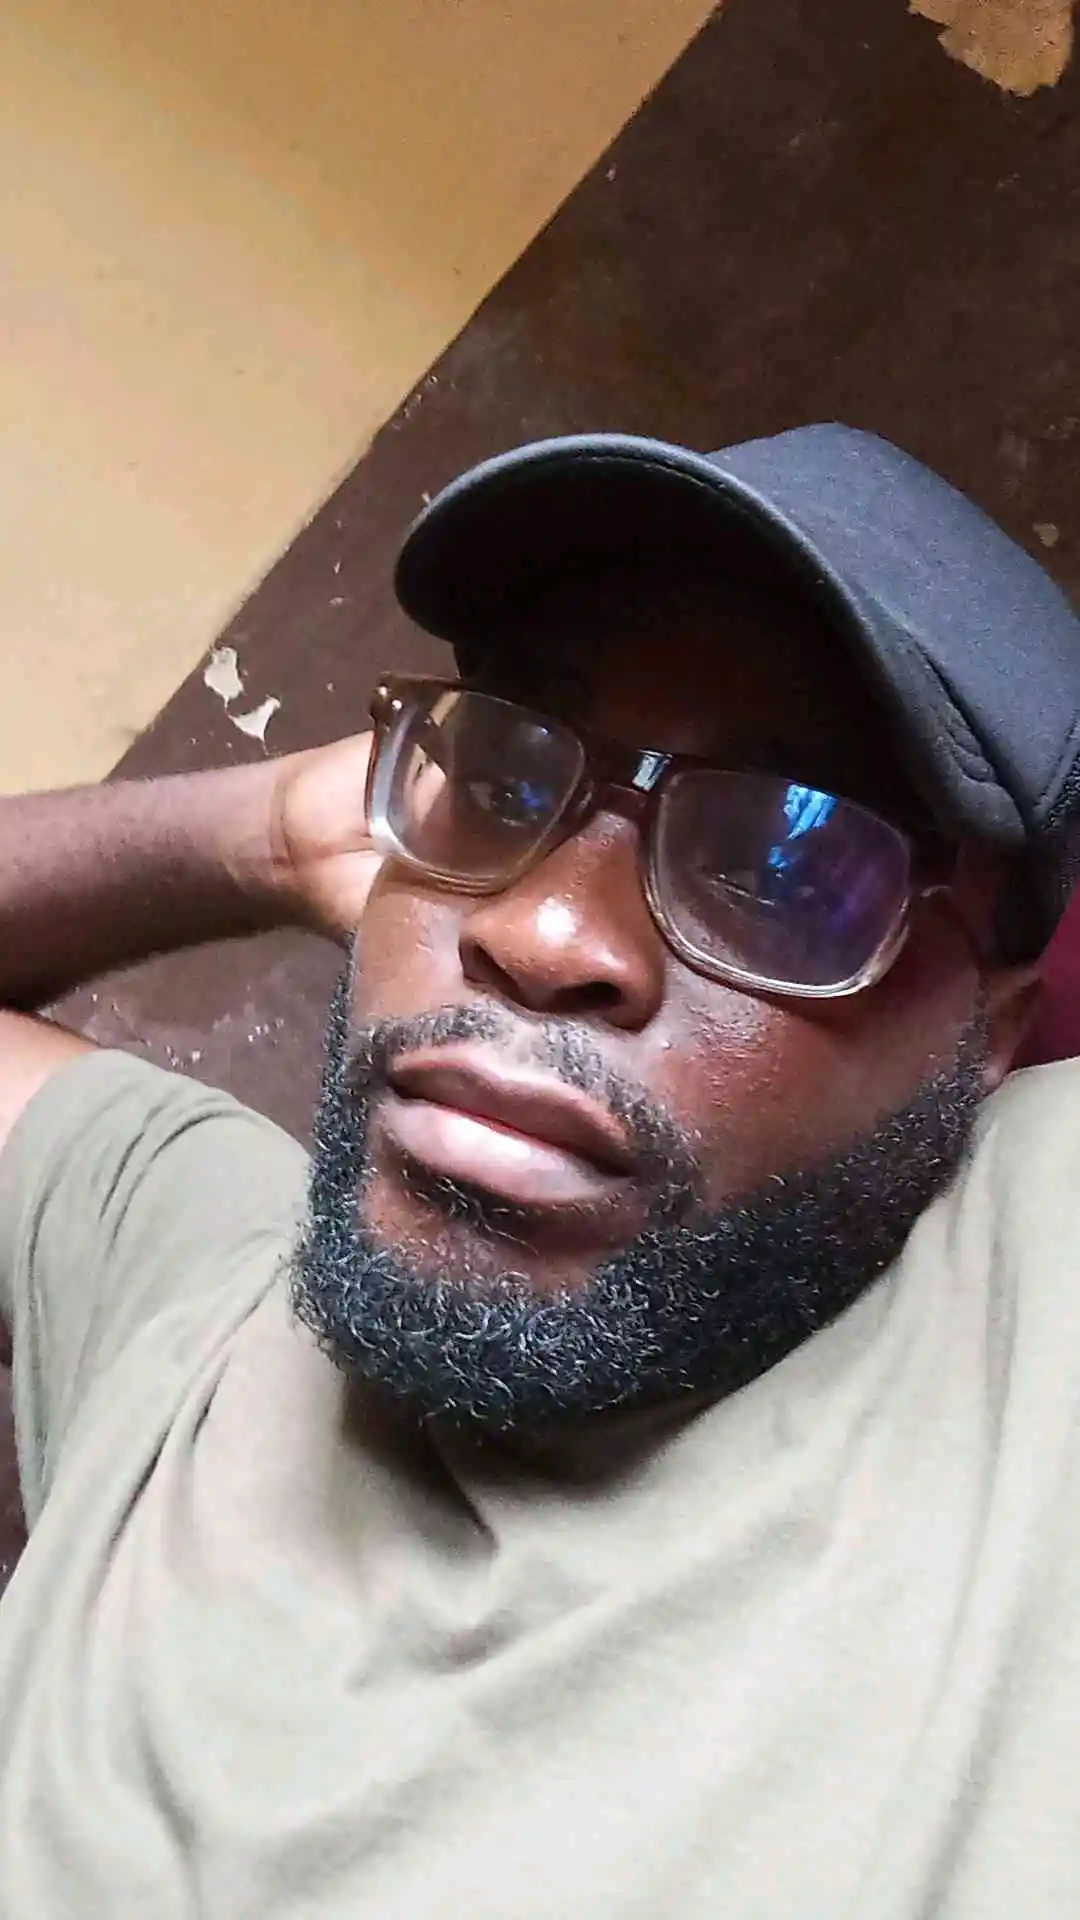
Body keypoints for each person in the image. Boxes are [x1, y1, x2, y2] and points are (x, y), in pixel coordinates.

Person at [1, 424, 1079, 1919]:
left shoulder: (1029, 1323)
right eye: (507, 777)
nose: (542, 930)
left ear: (986, 1040)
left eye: (784, 863)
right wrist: (273, 835)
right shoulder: (191, 1279)